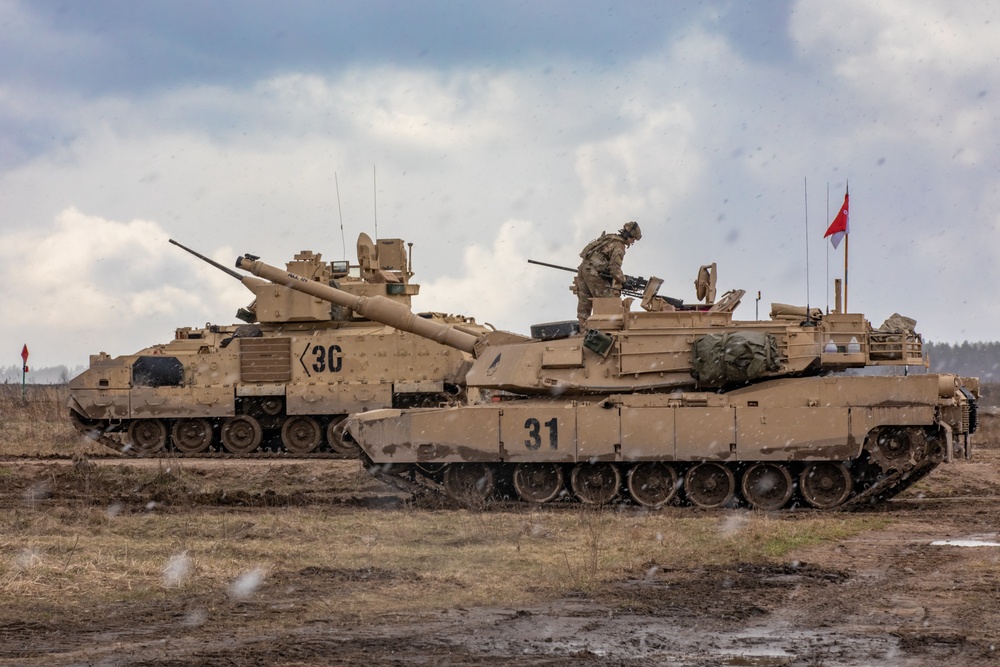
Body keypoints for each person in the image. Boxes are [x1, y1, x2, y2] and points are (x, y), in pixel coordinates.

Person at [575, 221, 642, 330]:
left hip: (583, 268)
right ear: (630, 237)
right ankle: (606, 330)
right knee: (608, 301)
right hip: (593, 272)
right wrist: (624, 280)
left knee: (584, 300)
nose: (633, 242)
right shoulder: (619, 246)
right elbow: (614, 268)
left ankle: (583, 328)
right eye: (634, 239)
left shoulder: (610, 238)